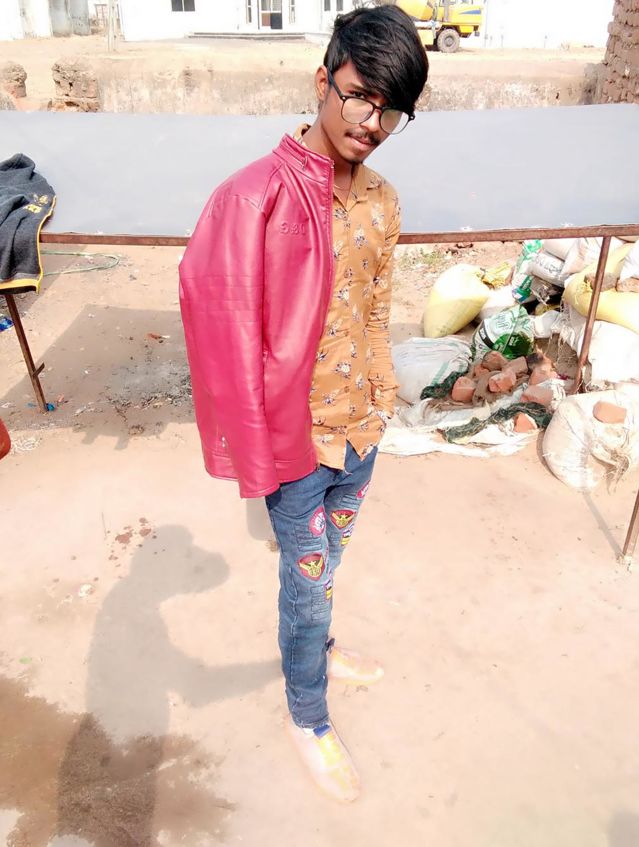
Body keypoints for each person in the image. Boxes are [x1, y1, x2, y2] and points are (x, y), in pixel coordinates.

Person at [179, 5, 428, 803]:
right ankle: (308, 715)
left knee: (326, 567)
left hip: (362, 430)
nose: (371, 123)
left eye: (391, 111)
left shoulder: (383, 201)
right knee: (307, 581)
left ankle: (317, 649)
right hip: (298, 443)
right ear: (323, 80)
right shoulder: (256, 197)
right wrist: (254, 447)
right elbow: (218, 319)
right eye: (359, 97)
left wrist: (383, 397)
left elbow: (377, 310)